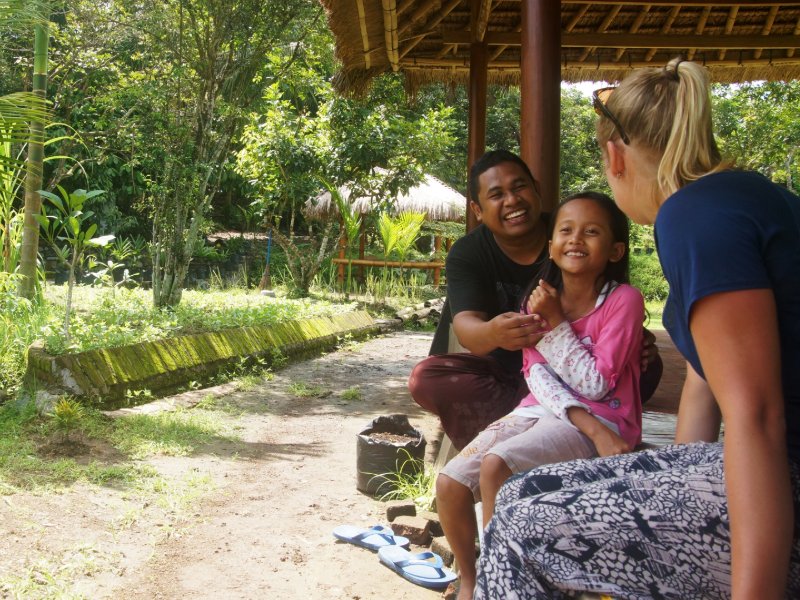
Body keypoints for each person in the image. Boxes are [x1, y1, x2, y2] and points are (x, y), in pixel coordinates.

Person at [475, 58, 800, 600]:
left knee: (518, 531)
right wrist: (665, 476)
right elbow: (702, 384)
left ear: (614, 155)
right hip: (773, 465)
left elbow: (757, 417)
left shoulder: (695, 217)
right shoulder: (746, 197)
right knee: (515, 496)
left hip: (787, 479)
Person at [436, 191, 644, 600]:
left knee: (497, 466)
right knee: (450, 483)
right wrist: (551, 317)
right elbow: (537, 376)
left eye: (591, 232)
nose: (575, 239)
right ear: (550, 244)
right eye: (565, 230)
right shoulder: (540, 299)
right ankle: (472, 578)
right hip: (546, 410)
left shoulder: (623, 301)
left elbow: (597, 384)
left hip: (606, 420)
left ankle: (504, 582)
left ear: (616, 249)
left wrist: (557, 323)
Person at [408, 150, 662, 451]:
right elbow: (466, 327)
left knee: (646, 368)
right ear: (478, 209)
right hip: (507, 376)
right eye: (497, 194)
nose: (512, 201)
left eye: (519, 187)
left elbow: (612, 305)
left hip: (583, 376)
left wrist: (632, 342)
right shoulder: (469, 252)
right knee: (427, 378)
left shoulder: (571, 236)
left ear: (537, 190)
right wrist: (495, 333)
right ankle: (535, 428)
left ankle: (529, 430)